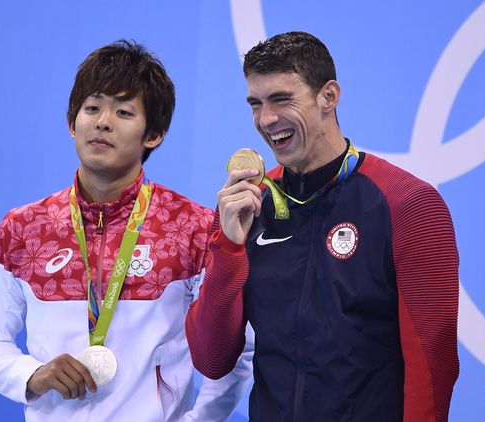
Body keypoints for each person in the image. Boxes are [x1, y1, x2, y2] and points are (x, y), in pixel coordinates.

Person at [0, 40, 253, 421]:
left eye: (123, 111)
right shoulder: (22, 229)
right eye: (92, 107)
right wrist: (32, 374)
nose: (103, 121)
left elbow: (234, 350)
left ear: (153, 134)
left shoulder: (194, 229)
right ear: (72, 122)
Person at [186, 31, 459, 421]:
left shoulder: (407, 203)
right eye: (256, 104)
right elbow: (211, 359)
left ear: (328, 96)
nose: (266, 119)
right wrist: (227, 248)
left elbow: (433, 366)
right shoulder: (250, 204)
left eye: (282, 99)